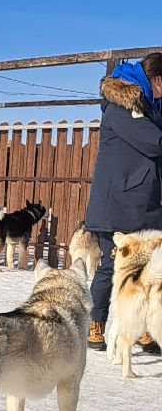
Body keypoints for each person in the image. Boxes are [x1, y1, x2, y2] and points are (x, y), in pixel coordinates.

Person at [83, 50, 162, 351]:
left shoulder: (151, 104)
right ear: (156, 79)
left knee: (147, 268)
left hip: (144, 200)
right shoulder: (121, 103)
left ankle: (142, 326)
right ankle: (96, 322)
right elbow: (153, 143)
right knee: (110, 266)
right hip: (116, 203)